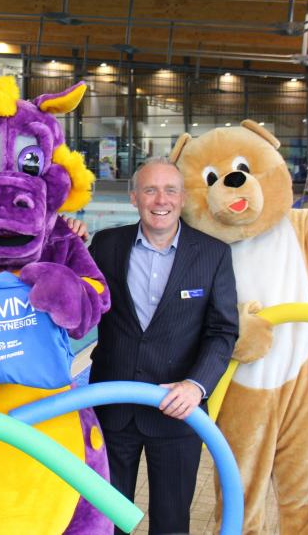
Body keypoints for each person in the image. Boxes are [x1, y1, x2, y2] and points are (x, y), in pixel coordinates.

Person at [86, 157, 238, 535]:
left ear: (183, 198)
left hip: (176, 409)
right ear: (134, 197)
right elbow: (75, 299)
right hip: (113, 406)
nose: (160, 200)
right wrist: (64, 239)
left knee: (171, 521)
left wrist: (196, 385)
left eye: (170, 190)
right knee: (109, 517)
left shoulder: (213, 254)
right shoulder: (105, 245)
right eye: (150, 190)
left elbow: (222, 331)